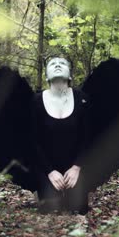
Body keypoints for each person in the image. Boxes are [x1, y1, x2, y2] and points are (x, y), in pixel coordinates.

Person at [31, 57, 90, 214]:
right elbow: (33, 141)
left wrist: (77, 168)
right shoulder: (35, 101)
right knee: (50, 210)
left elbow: (88, 137)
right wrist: (50, 171)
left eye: (62, 63)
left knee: (79, 209)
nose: (57, 64)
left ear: (70, 75)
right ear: (46, 77)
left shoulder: (82, 98)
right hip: (47, 168)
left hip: (75, 168)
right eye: (52, 64)